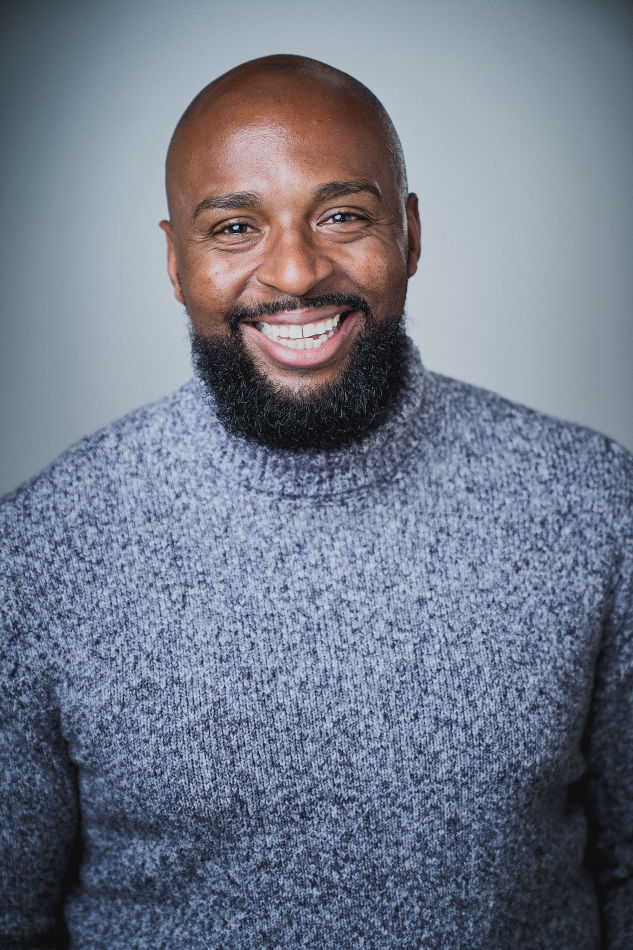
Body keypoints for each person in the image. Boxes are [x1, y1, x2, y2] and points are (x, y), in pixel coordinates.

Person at [0, 53, 631, 950]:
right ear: (175, 261)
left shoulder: (594, 507)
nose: (294, 272)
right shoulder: (38, 552)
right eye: (234, 228)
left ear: (410, 234)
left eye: (341, 216)